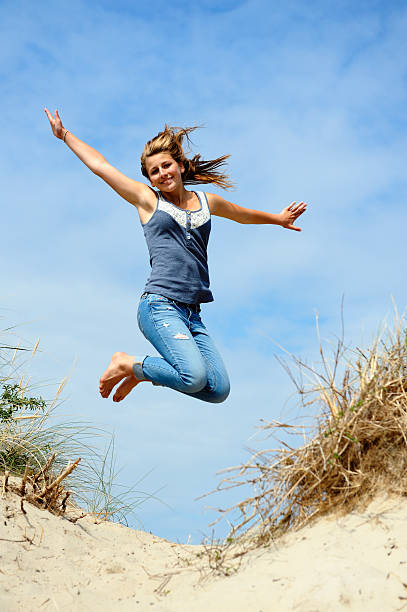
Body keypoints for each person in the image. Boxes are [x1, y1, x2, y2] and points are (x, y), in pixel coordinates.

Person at [44, 109, 307, 404]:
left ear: (180, 166)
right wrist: (64, 135)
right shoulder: (148, 200)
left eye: (166, 166)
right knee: (193, 377)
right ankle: (126, 363)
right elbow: (101, 166)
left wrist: (278, 218)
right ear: (151, 180)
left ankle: (140, 372)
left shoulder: (208, 202)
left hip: (192, 313)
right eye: (154, 172)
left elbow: (242, 216)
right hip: (160, 305)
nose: (162, 173)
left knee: (217, 390)